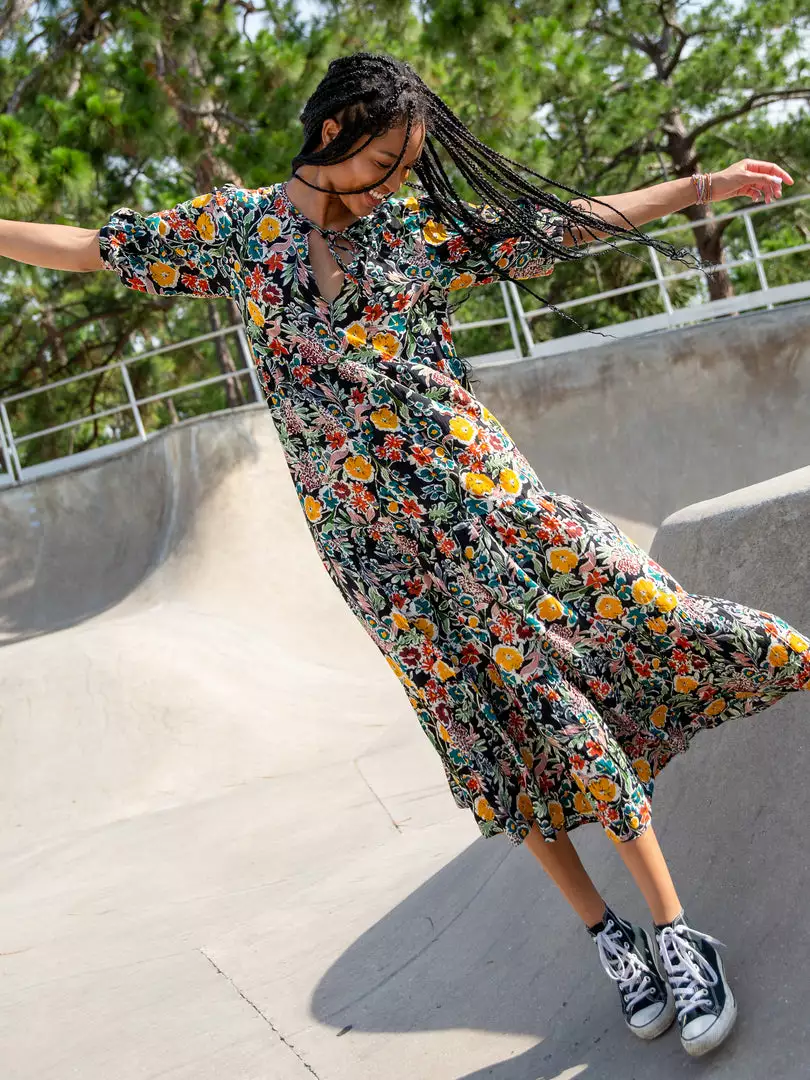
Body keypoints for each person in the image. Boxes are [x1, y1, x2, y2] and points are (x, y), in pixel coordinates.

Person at [1, 50, 799, 1059]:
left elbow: (563, 221)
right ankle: (611, 939)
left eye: (406, 168)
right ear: (331, 132)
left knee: (600, 656)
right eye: (383, 162)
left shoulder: (416, 231)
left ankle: (680, 933)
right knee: (484, 736)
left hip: (482, 508)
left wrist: (699, 185)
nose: (392, 184)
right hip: (370, 552)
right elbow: (92, 247)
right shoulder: (238, 233)